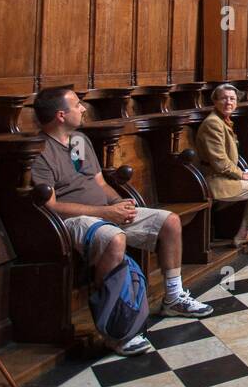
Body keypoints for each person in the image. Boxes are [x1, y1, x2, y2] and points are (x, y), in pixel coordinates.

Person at [29, 87, 212, 357]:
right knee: (115, 239)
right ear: (60, 115)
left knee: (169, 221)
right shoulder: (40, 152)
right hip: (71, 221)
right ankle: (116, 331)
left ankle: (173, 297)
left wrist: (117, 203)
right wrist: (105, 214)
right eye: (77, 105)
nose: (83, 109)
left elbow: (100, 182)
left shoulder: (78, 141)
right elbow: (52, 206)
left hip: (104, 210)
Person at [197, 84, 248, 254]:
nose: (229, 102)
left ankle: (243, 234)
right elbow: (219, 162)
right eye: (224, 98)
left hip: (223, 177)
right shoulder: (213, 123)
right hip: (215, 181)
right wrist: (241, 174)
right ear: (215, 101)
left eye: (232, 98)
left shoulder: (222, 120)